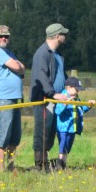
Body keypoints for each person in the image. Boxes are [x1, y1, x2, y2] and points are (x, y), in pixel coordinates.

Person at [0, 24, 24, 171]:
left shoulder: (8, 52)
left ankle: (11, 165)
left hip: (14, 98)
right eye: (1, 36)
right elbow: (17, 67)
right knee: (4, 135)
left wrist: (17, 65)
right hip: (3, 98)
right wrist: (17, 65)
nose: (4, 38)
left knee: (15, 136)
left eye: (6, 36)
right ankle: (1, 169)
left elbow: (22, 67)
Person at [31, 23, 68, 170]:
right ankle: (40, 165)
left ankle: (46, 163)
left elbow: (61, 75)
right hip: (45, 100)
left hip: (55, 100)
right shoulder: (43, 53)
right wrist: (53, 94)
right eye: (63, 34)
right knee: (43, 131)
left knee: (51, 131)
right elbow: (41, 76)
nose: (66, 36)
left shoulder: (57, 54)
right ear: (57, 36)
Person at [53, 76, 95, 170]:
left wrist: (89, 105)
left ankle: (64, 164)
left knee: (68, 147)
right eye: (77, 89)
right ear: (69, 88)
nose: (78, 92)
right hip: (63, 128)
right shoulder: (62, 97)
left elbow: (81, 109)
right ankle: (59, 164)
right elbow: (58, 111)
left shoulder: (76, 99)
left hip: (73, 128)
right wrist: (65, 103)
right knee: (62, 146)